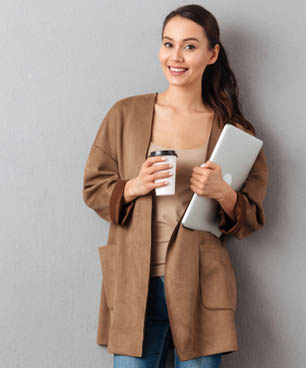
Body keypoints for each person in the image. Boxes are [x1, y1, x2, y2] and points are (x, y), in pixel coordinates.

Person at [82, 4, 269, 367]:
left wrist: (223, 193)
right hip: (136, 280)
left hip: (200, 286)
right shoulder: (125, 114)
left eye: (190, 46)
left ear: (212, 54)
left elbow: (252, 217)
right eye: (168, 44)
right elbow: (93, 188)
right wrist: (133, 186)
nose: (176, 56)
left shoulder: (233, 131)